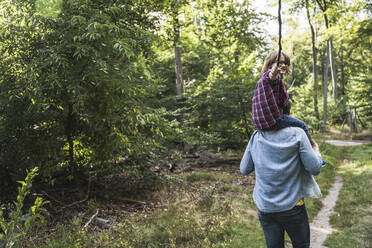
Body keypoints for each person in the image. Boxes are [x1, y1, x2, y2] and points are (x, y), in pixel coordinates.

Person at [240, 125, 324, 248]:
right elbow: (315, 168)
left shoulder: (257, 135)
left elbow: (244, 169)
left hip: (266, 207)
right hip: (293, 206)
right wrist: (316, 150)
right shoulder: (297, 133)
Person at [252, 50, 315, 145]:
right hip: (271, 121)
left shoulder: (266, 80)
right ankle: (313, 150)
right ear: (270, 64)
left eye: (285, 63)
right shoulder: (269, 78)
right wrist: (274, 71)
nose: (283, 65)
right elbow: (271, 76)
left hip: (260, 123)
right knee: (302, 125)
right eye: (279, 62)